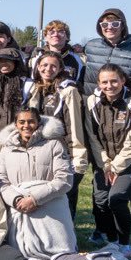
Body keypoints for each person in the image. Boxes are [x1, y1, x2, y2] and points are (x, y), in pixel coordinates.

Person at [0, 108, 81, 260]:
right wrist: (17, 199)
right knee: (24, 253)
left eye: (31, 121)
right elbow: (1, 181)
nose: (27, 126)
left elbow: (64, 179)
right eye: (22, 122)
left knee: (59, 250)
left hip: (49, 208)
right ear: (15, 125)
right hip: (19, 209)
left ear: (39, 123)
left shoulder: (54, 145)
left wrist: (34, 198)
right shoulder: (6, 150)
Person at [85, 63, 131, 260]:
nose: (109, 85)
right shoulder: (92, 102)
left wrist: (115, 167)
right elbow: (93, 137)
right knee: (101, 200)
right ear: (98, 83)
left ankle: (125, 244)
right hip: (105, 161)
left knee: (117, 198)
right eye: (104, 82)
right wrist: (105, 163)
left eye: (114, 81)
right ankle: (112, 240)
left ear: (123, 81)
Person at [30, 51, 90, 217]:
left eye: (53, 65)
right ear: (37, 67)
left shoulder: (68, 90)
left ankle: (70, 239)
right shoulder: (34, 89)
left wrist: (76, 155)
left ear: (60, 68)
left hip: (63, 152)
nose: (48, 69)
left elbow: (74, 126)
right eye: (44, 65)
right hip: (40, 151)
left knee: (65, 195)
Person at [83, 8, 131, 98]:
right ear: (100, 27)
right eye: (105, 24)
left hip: (127, 106)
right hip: (93, 105)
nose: (109, 27)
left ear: (122, 26)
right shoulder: (91, 46)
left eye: (115, 24)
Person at [0, 48, 32, 130]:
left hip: (23, 134)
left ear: (16, 63)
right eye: (0, 61)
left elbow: (34, 112)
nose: (3, 64)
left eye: (7, 60)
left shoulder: (29, 85)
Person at [32, 20, 86, 87]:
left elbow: (80, 83)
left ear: (67, 37)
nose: (56, 35)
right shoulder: (36, 56)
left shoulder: (78, 58)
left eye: (61, 32)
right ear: (45, 37)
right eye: (52, 32)